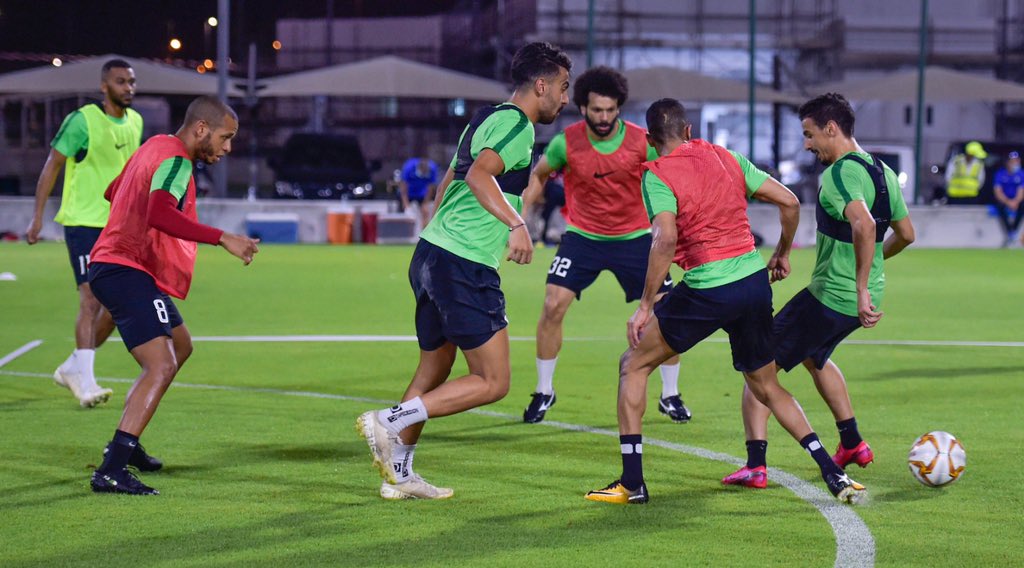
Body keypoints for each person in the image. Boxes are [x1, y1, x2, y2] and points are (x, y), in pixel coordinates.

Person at [584, 98, 866, 505]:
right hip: (753, 283)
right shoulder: (725, 157)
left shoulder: (656, 174)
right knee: (767, 385)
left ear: (649, 139)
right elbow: (788, 201)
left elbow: (665, 238)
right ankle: (833, 472)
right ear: (688, 132)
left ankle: (632, 483)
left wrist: (645, 304)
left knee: (634, 364)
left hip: (707, 287)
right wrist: (783, 252)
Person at [355, 42, 572, 500]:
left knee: (435, 365)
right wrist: (517, 224)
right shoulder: (518, 125)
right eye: (563, 87)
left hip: (433, 254)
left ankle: (400, 475)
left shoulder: (484, 117)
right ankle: (387, 421)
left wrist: (435, 239)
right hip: (464, 263)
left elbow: (450, 179)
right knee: (494, 382)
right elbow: (477, 177)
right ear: (541, 85)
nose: (565, 98)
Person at [722, 93, 915, 490]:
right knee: (815, 358)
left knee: (757, 367)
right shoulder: (880, 170)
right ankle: (852, 442)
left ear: (832, 128)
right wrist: (870, 276)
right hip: (853, 299)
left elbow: (863, 225)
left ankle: (755, 464)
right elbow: (907, 234)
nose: (807, 144)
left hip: (833, 296)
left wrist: (859, 287)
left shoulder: (841, 173)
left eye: (809, 134)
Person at [87, 96, 260, 495]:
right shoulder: (178, 161)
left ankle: (125, 446)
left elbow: (114, 191)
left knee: (180, 346)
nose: (228, 148)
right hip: (122, 269)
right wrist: (223, 238)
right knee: (161, 365)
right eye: (225, 137)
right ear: (201, 129)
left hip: (122, 267)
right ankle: (111, 468)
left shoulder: (154, 146)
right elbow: (160, 213)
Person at [519, 66, 688, 425]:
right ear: (582, 108)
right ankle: (544, 390)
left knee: (665, 311)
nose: (605, 117)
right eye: (597, 110)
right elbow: (540, 174)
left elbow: (674, 176)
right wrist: (520, 220)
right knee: (552, 305)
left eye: (611, 110)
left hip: (635, 238)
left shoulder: (642, 141)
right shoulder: (567, 142)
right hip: (583, 238)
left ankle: (670, 394)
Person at [24, 59, 143, 407]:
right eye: (121, 82)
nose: (128, 88)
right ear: (104, 86)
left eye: (132, 82)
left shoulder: (135, 122)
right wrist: (37, 218)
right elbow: (52, 166)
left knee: (116, 305)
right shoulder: (82, 121)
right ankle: (86, 381)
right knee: (90, 299)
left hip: (119, 226)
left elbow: (133, 177)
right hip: (83, 223)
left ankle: (75, 365)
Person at [992, 151, 1024, 247]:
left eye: (1017, 161)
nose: (1015, 163)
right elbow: (998, 191)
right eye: (1013, 161)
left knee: (1022, 207)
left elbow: (1021, 191)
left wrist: (1015, 201)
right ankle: (1009, 231)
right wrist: (1008, 202)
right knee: (1000, 207)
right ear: (1008, 162)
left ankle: (1014, 230)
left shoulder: (1021, 174)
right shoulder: (1000, 174)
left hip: (1016, 200)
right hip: (1005, 199)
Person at [400, 157, 439, 231]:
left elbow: (430, 187)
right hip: (409, 192)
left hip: (422, 193)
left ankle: (423, 235)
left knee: (426, 213)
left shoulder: (433, 168)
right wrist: (405, 203)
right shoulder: (409, 167)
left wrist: (425, 202)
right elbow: (403, 186)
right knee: (405, 214)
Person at [944, 141, 987, 205]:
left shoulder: (979, 164)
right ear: (969, 153)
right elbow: (948, 177)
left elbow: (981, 180)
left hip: (971, 197)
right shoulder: (956, 161)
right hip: (955, 196)